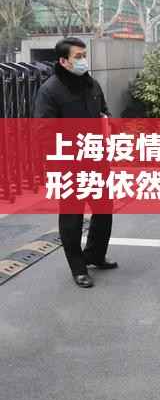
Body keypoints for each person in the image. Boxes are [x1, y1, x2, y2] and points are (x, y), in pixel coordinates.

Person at [34, 37, 116, 289]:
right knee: (72, 217)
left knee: (104, 210)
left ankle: (95, 255)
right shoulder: (50, 90)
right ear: (63, 61)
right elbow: (44, 132)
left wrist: (107, 123)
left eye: (84, 55)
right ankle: (78, 268)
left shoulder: (92, 84)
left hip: (97, 160)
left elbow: (104, 111)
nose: (83, 60)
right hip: (69, 165)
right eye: (78, 56)